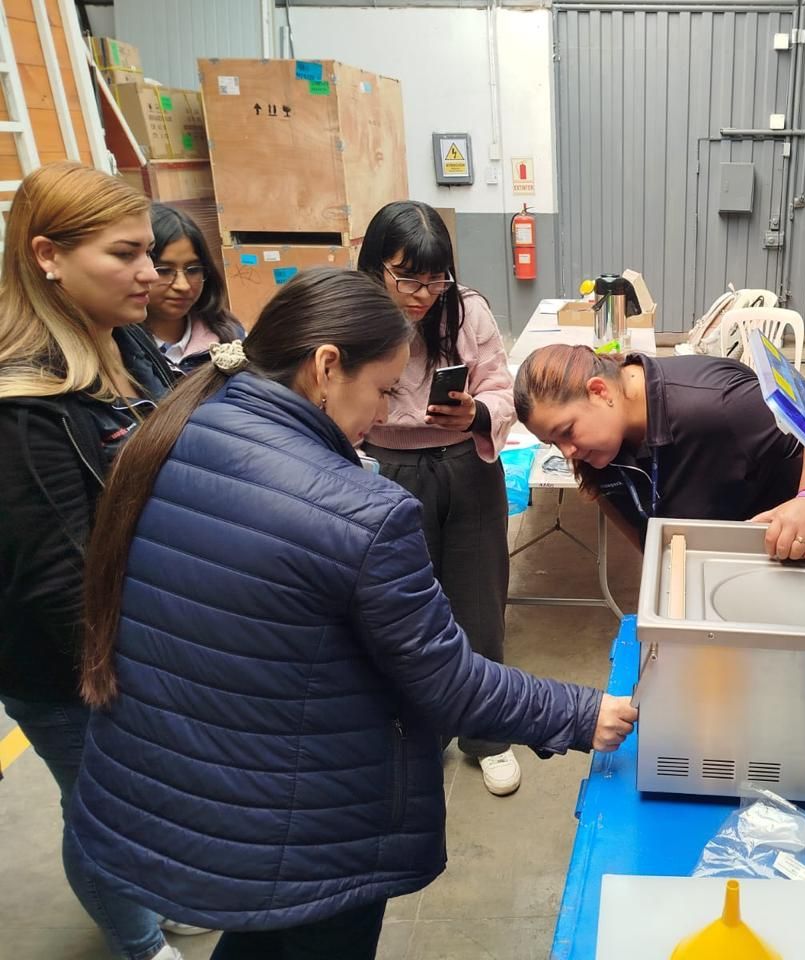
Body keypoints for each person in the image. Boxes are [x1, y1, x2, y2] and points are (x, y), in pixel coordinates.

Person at [63, 268, 637, 960]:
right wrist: (581, 714)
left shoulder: (181, 429)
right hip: (302, 824)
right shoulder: (359, 512)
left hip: (190, 788)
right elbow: (447, 681)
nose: (385, 411)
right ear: (328, 367)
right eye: (384, 390)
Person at [0, 163, 179, 959]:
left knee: (151, 801)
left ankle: (155, 897)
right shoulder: (24, 406)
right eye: (127, 254)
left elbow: (181, 414)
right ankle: (138, 941)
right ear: (47, 255)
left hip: (139, 632)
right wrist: (131, 694)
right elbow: (58, 582)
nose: (152, 274)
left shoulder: (124, 336)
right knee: (104, 807)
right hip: (73, 665)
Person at [355, 201, 523, 796]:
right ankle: (416, 731)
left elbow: (502, 386)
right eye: (408, 279)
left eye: (435, 280)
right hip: (384, 469)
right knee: (400, 610)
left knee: (480, 602)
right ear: (376, 266)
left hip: (465, 463)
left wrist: (477, 411)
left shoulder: (466, 308)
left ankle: (486, 734)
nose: (423, 294)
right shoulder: (351, 312)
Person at [514, 345, 805, 559]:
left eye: (567, 432)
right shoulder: (601, 448)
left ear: (599, 392)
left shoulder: (717, 404)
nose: (567, 452)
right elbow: (610, 496)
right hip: (711, 573)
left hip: (799, 558)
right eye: (554, 443)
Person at [143, 203, 243, 374]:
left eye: (193, 269)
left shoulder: (230, 338)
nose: (183, 285)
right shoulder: (119, 349)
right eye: (164, 271)